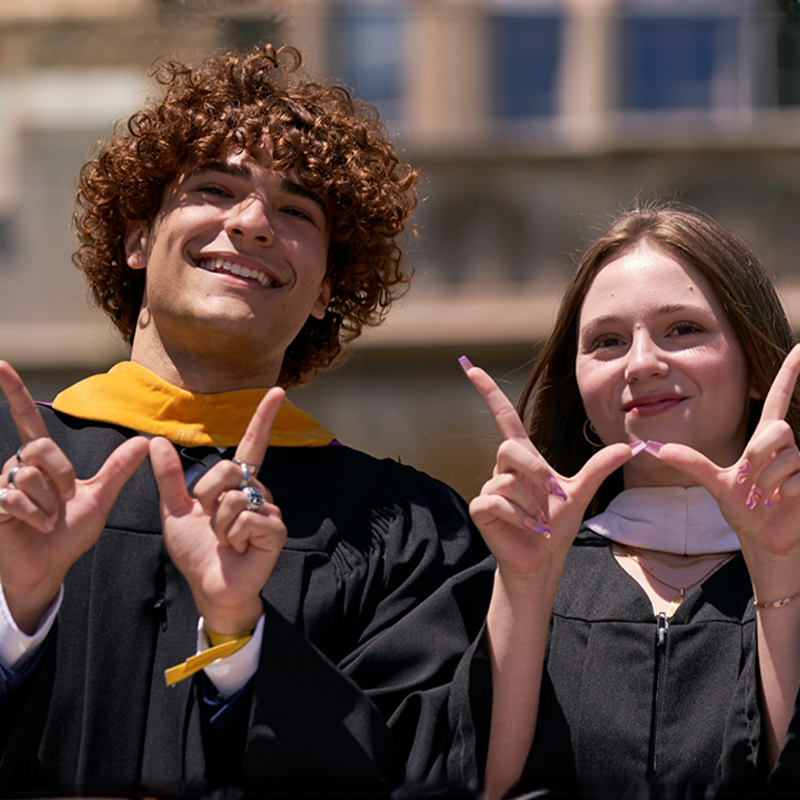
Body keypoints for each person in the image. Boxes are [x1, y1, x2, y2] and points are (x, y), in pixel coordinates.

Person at [0, 44, 490, 798]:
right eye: (213, 189)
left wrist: (239, 640)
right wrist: (16, 613)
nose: (253, 222)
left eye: (296, 212)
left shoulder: (407, 532)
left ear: (328, 287)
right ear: (137, 239)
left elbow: (422, 774)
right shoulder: (10, 471)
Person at [458, 201, 800, 798]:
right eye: (608, 342)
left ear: (755, 369)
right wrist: (527, 588)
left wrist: (776, 574)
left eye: (685, 329)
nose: (641, 363)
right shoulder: (511, 579)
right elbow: (476, 787)